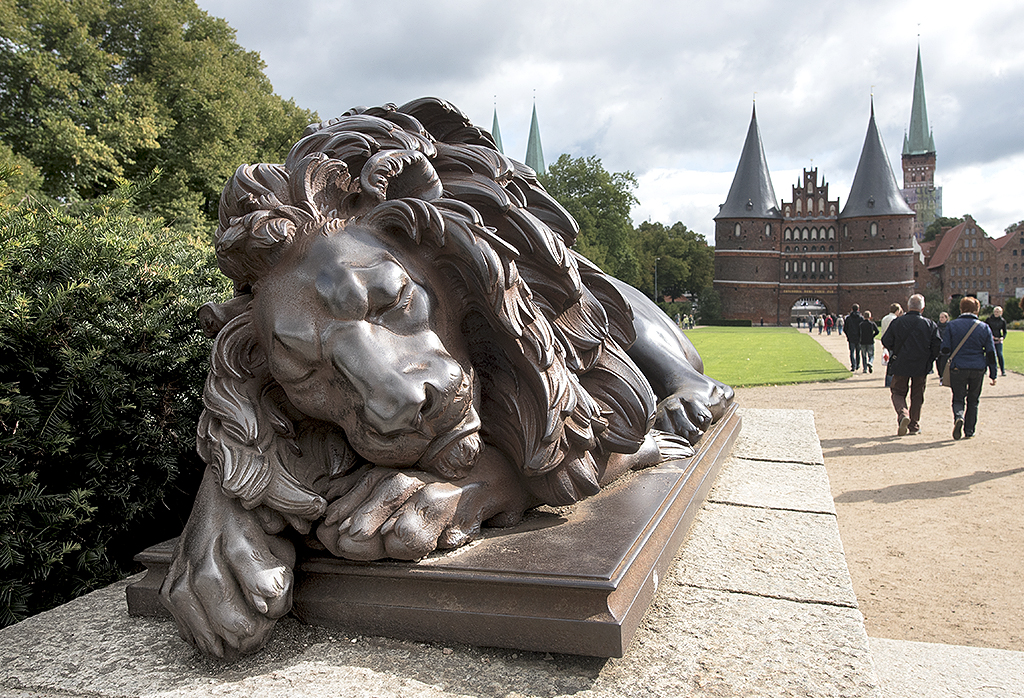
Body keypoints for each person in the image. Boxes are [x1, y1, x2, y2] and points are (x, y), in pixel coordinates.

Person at [939, 296, 997, 440]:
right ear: (977, 309)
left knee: (958, 398)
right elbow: (990, 352)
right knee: (973, 399)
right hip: (978, 367)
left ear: (961, 309)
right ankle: (969, 430)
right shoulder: (984, 327)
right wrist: (993, 373)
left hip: (958, 366)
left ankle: (959, 416)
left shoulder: (952, 325)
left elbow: (945, 349)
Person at [881, 294, 940, 435]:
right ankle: (914, 425)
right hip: (921, 364)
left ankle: (903, 414)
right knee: (917, 395)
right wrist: (929, 359)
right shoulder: (930, 324)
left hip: (901, 362)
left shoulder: (898, 322)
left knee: (897, 392)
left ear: (908, 306)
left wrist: (896, 350)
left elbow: (886, 340)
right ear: (922, 308)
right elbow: (937, 346)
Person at [879, 303, 903, 387]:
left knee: (889, 362)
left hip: (886, 341)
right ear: (897, 311)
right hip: (894, 343)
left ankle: (888, 381)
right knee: (894, 362)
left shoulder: (885, 318)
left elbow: (883, 331)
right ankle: (892, 381)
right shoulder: (895, 319)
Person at [985, 306, 1008, 377]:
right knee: (988, 354)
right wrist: (990, 336)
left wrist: (1002, 338)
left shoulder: (1002, 321)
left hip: (998, 340)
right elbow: (985, 328)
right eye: (995, 311)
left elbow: (1005, 331)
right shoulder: (989, 319)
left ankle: (1002, 371)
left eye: (998, 312)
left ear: (1001, 313)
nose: (996, 313)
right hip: (990, 339)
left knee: (1000, 354)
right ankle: (985, 370)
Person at [845, 304, 863, 371]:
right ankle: (858, 365)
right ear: (858, 309)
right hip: (859, 337)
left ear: (852, 309)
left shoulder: (848, 318)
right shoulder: (861, 318)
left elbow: (845, 328)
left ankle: (853, 365)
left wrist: (848, 335)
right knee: (858, 352)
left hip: (851, 337)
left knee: (852, 352)